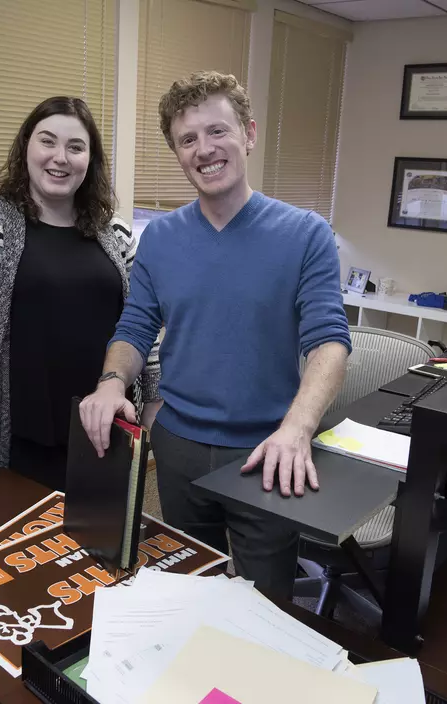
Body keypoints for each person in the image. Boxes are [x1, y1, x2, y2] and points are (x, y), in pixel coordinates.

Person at [79, 71, 351, 597]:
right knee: (188, 592)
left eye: (217, 132)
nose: (205, 150)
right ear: (177, 152)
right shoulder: (160, 237)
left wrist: (297, 429)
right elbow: (136, 326)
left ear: (248, 134)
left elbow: (329, 342)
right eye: (188, 139)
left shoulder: (305, 234)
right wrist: (112, 382)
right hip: (177, 451)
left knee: (264, 608)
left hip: (266, 453)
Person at [0, 96, 161, 494]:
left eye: (76, 147)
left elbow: (142, 327)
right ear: (26, 146)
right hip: (25, 435)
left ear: (90, 160)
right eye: (48, 141)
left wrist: (153, 410)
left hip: (108, 426)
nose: (61, 157)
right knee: (28, 550)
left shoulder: (117, 234)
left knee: (104, 548)